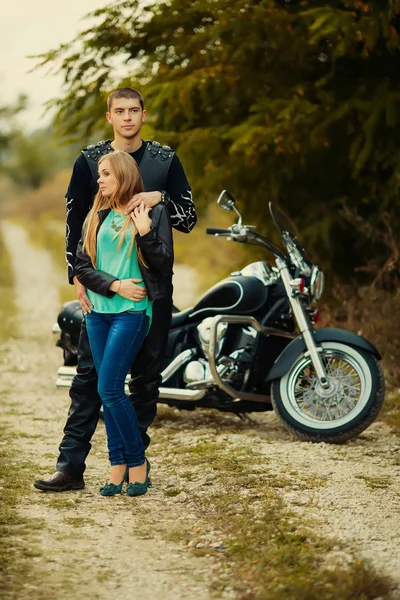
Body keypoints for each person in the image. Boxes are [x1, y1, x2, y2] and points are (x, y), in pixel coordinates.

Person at [34, 87, 196, 492]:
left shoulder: (164, 161)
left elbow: (189, 218)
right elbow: (75, 224)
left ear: (144, 114)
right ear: (109, 116)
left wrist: (158, 196)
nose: (127, 117)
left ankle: (130, 464)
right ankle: (70, 467)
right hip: (101, 288)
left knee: (145, 379)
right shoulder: (92, 162)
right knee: (88, 378)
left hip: (151, 291)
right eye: (119, 111)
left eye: (134, 110)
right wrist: (76, 276)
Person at [74, 150, 173, 496]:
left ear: (123, 176)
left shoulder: (150, 213)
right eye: (99, 174)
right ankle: (117, 467)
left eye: (105, 174)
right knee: (108, 390)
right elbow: (82, 267)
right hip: (98, 313)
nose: (99, 180)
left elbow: (163, 266)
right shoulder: (96, 216)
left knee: (110, 389)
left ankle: (137, 462)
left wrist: (145, 232)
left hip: (131, 314)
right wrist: (114, 285)